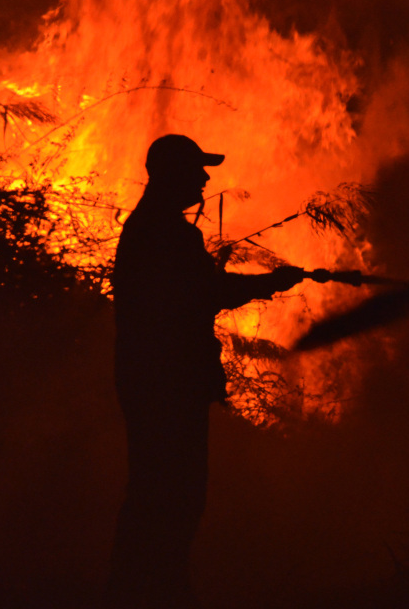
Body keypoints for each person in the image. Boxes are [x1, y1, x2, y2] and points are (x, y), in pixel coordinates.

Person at [107, 134, 303, 608]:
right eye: (196, 169)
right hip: (167, 384)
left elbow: (197, 288)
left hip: (151, 379)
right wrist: (269, 284)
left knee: (155, 491)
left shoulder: (150, 227)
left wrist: (263, 284)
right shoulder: (168, 232)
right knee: (174, 495)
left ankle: (144, 590)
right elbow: (202, 292)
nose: (204, 177)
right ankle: (156, 592)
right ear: (171, 175)